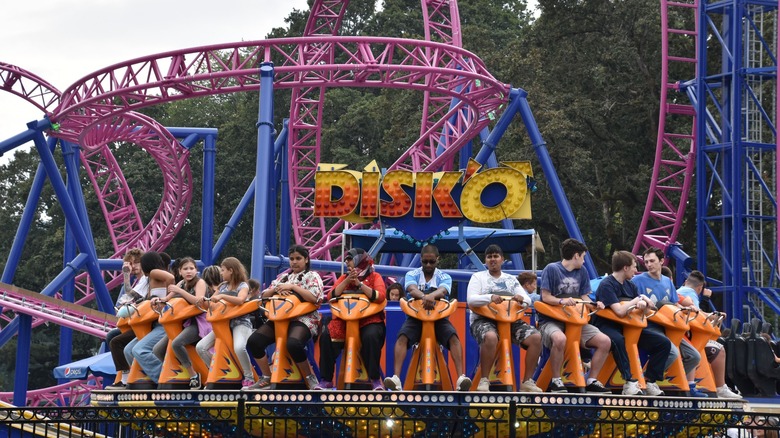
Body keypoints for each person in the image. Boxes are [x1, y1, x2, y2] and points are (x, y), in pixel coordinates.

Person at [384, 244, 471, 391]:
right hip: (416, 317)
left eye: (432, 261)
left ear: (438, 260)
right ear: (421, 260)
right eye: (425, 262)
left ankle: (460, 377)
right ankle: (396, 378)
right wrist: (426, 297)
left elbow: (443, 291)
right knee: (402, 338)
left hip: (439, 317)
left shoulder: (445, 276)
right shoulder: (412, 274)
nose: (428, 265)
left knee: (454, 338)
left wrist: (430, 296)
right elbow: (411, 288)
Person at [244, 245, 323, 390]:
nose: (294, 262)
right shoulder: (283, 277)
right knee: (254, 342)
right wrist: (276, 289)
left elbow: (315, 298)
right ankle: (266, 377)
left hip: (302, 319)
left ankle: (309, 377)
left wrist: (292, 288)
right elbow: (264, 295)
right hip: (279, 319)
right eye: (292, 259)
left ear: (306, 260)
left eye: (298, 258)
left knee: (293, 343)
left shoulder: (312, 276)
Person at [538, 238, 612, 393]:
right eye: (583, 257)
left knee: (605, 341)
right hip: (552, 320)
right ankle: (556, 380)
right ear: (576, 256)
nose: (584, 262)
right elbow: (545, 297)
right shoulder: (551, 269)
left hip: (576, 321)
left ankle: (591, 380)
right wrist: (562, 301)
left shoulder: (582, 272)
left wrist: (594, 304)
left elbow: (584, 297)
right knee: (560, 339)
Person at [593, 250, 671, 395]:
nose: (636, 271)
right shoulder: (607, 285)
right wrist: (637, 300)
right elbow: (620, 311)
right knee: (618, 340)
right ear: (625, 268)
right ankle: (629, 382)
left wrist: (645, 303)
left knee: (663, 344)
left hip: (630, 327)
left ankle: (650, 381)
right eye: (634, 267)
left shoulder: (630, 286)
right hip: (608, 326)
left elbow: (648, 310)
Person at [467, 244, 543, 393]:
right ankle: (484, 380)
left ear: (502, 259)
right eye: (489, 257)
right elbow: (471, 299)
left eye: (496, 256)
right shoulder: (478, 277)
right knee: (490, 337)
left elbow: (527, 300)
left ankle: (527, 381)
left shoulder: (511, 280)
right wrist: (490, 297)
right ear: (486, 261)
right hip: (483, 320)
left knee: (536, 337)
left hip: (510, 321)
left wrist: (521, 299)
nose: (492, 259)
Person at [632, 247, 706, 397]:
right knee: (671, 352)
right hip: (649, 326)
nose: (649, 264)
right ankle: (649, 380)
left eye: (652, 261)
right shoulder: (637, 280)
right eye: (646, 262)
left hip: (669, 326)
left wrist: (688, 308)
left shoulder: (667, 282)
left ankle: (668, 380)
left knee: (694, 356)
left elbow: (673, 303)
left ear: (661, 261)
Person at [316, 248, 386, 390]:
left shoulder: (375, 277)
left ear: (360, 261)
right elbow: (330, 296)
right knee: (326, 337)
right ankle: (326, 380)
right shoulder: (344, 278)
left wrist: (360, 285)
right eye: (346, 260)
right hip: (344, 320)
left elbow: (380, 297)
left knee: (371, 337)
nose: (347, 263)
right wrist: (347, 280)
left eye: (350, 260)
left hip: (369, 320)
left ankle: (374, 379)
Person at [676, 270, 741, 399]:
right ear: (700, 288)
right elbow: (697, 317)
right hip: (686, 337)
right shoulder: (690, 294)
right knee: (718, 349)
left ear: (685, 282)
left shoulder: (678, 291)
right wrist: (712, 314)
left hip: (680, 335)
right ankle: (720, 387)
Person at [150, 257, 211, 389]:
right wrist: (157, 301)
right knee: (157, 350)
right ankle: (185, 372)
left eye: (191, 268)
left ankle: (194, 376)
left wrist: (180, 291)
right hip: (184, 322)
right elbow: (167, 299)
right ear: (180, 271)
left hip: (199, 322)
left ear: (196, 270)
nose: (189, 271)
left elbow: (198, 301)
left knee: (177, 343)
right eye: (185, 269)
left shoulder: (199, 283)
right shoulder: (182, 283)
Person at [195, 257, 254, 387]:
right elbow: (212, 303)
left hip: (240, 323)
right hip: (222, 325)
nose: (221, 273)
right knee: (201, 348)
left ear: (231, 271)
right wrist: (203, 301)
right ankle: (220, 368)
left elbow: (240, 300)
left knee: (239, 347)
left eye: (223, 270)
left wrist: (222, 296)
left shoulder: (243, 285)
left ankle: (249, 377)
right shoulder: (222, 286)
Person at [123, 251, 175, 386]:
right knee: (128, 350)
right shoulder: (150, 280)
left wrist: (168, 299)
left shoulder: (154, 273)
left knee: (139, 350)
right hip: (152, 322)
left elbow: (170, 278)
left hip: (162, 322)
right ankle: (146, 380)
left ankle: (163, 378)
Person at [105, 248, 148, 390]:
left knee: (116, 342)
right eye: (130, 264)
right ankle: (123, 373)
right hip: (134, 321)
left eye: (136, 263)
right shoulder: (140, 281)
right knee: (111, 336)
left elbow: (131, 294)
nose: (133, 267)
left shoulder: (146, 279)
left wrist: (125, 274)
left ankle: (125, 378)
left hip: (145, 323)